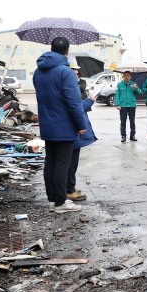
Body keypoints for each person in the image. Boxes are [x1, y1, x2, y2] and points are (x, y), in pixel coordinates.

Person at [33, 37, 86, 213]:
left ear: (51, 48)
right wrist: (80, 124)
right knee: (63, 164)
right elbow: (73, 103)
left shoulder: (38, 72)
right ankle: (61, 203)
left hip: (47, 124)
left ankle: (53, 199)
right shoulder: (66, 72)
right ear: (67, 51)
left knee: (50, 162)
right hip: (64, 126)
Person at [65, 63, 96, 203]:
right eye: (74, 71)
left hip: (72, 128)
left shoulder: (74, 86)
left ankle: (70, 187)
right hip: (72, 128)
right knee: (69, 163)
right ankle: (68, 190)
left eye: (78, 71)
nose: (77, 74)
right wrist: (89, 101)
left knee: (72, 161)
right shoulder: (68, 87)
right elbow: (75, 107)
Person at [115, 71, 141, 143]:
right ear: (123, 76)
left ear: (130, 77)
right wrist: (118, 104)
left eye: (128, 76)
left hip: (132, 105)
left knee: (132, 121)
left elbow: (139, 93)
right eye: (125, 75)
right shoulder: (120, 85)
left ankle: (132, 135)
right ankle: (123, 135)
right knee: (123, 121)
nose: (127, 77)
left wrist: (135, 88)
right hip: (123, 106)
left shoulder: (133, 84)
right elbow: (117, 95)